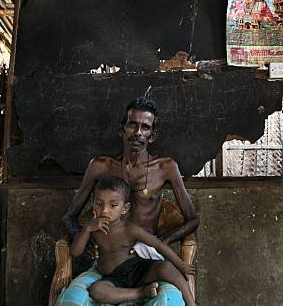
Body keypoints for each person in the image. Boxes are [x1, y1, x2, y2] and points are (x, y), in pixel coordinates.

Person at [56, 97, 199, 306]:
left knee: (170, 301)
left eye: (145, 127)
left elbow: (192, 220)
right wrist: (85, 239)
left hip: (147, 261)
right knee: (72, 300)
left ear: (152, 135)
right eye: (132, 124)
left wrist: (162, 242)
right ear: (122, 129)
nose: (138, 133)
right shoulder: (101, 165)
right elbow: (70, 216)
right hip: (107, 263)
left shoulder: (166, 167)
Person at [71, 176, 196, 306]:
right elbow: (75, 252)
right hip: (113, 278)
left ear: (124, 209)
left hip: (137, 269)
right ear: (93, 205)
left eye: (113, 205)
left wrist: (181, 264)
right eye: (99, 204)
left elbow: (158, 245)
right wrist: (87, 229)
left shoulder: (129, 229)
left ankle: (192, 303)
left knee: (165, 267)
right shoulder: (93, 228)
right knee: (96, 291)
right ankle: (141, 293)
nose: (105, 210)